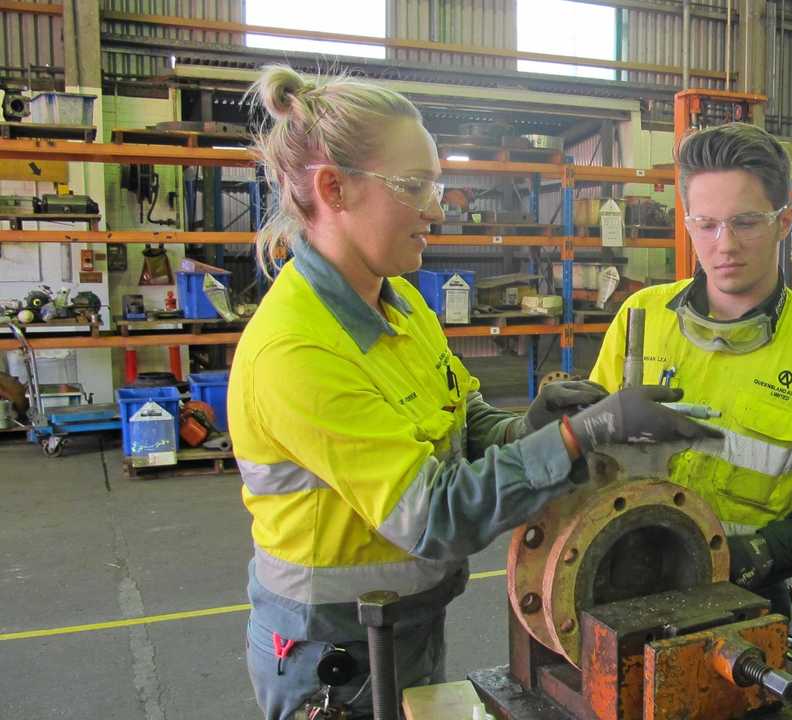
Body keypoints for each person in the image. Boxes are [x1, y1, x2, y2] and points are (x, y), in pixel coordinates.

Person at [227, 65, 718, 720]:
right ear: (333, 187)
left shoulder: (399, 304)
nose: (438, 206)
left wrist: (539, 426)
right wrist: (581, 437)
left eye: (436, 183)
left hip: (410, 624)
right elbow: (433, 516)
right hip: (332, 656)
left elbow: (467, 426)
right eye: (414, 186)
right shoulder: (299, 351)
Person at [589, 122, 792, 614]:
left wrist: (765, 552)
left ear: (785, 220)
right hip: (615, 580)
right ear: (688, 223)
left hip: (748, 595)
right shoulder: (639, 318)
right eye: (706, 224)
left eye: (746, 222)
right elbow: (587, 450)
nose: (724, 245)